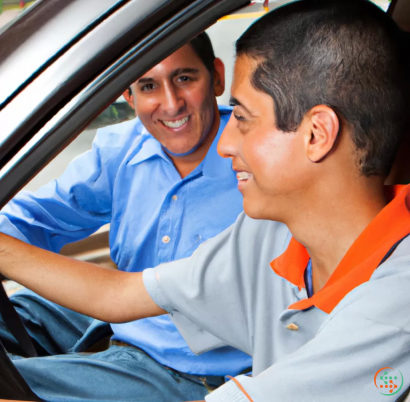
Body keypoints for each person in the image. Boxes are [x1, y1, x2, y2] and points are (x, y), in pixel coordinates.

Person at [1, 0, 409, 401]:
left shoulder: (393, 311)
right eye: (147, 85)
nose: (225, 142)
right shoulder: (267, 233)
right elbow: (120, 295)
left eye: (243, 119)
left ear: (317, 135)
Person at [0, 33, 252, 401]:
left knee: (11, 384)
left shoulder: (255, 163)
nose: (171, 104)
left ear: (216, 77)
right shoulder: (121, 150)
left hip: (189, 370)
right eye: (149, 85)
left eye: (184, 78)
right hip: (119, 320)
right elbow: (35, 217)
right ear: (128, 96)